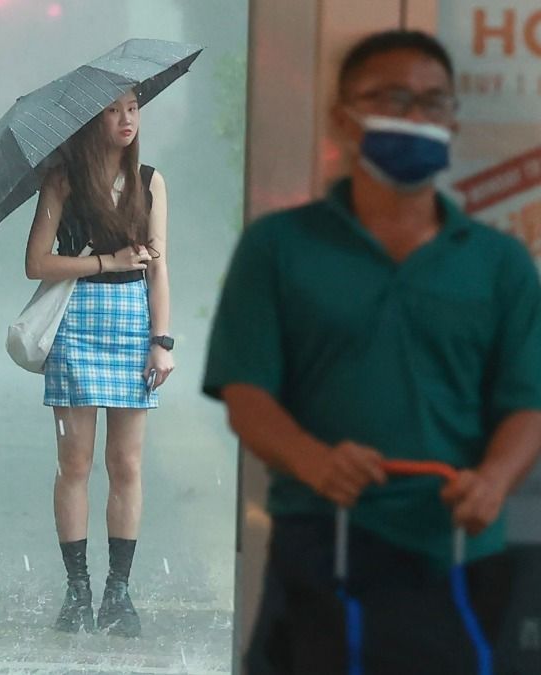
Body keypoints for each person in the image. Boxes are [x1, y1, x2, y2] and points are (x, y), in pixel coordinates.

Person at [203, 30, 541, 673]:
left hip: (459, 553)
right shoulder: (277, 248)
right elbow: (247, 395)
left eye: (433, 103)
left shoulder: (501, 265)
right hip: (319, 543)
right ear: (343, 117)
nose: (416, 117)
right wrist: (314, 460)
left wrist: (493, 482)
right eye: (392, 98)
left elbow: (528, 404)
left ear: (453, 119)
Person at [24, 90, 175, 637]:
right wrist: (104, 261)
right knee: (75, 464)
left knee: (127, 464)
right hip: (77, 323)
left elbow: (159, 269)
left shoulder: (150, 182)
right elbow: (35, 262)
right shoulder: (63, 181)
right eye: (113, 109)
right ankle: (77, 591)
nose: (127, 119)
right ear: (94, 120)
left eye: (133, 107)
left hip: (133, 325)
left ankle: (119, 591)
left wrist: (163, 341)